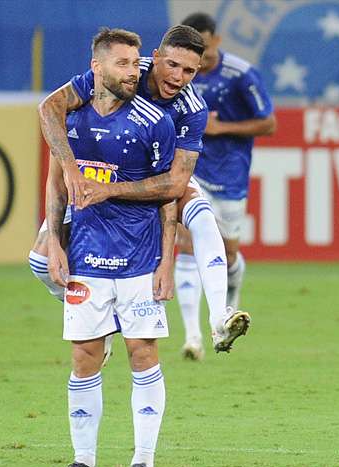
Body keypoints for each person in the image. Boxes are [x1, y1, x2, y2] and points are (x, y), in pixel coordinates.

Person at [31, 24, 250, 358]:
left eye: (189, 71)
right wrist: (72, 170)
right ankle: (99, 322)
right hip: (95, 171)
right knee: (39, 259)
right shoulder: (124, 71)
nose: (178, 77)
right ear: (156, 57)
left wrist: (111, 190)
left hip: (148, 181)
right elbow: (50, 108)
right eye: (172, 65)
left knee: (203, 216)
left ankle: (219, 316)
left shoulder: (191, 110)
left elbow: (175, 184)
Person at [46, 27, 177, 467]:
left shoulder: (153, 121)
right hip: (85, 258)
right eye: (122, 63)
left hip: (140, 261)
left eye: (135, 62)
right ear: (96, 67)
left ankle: (143, 462)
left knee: (142, 354)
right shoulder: (72, 116)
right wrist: (53, 243)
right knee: (84, 357)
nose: (133, 71)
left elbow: (168, 195)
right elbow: (57, 183)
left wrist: (167, 262)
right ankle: (83, 462)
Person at [177, 13, 276, 359]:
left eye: (201, 49)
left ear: (216, 40)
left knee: (228, 253)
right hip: (193, 170)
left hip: (231, 175)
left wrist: (222, 128)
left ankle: (226, 314)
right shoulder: (179, 76)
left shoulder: (240, 74)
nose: (196, 59)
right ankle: (192, 337)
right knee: (187, 245)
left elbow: (268, 123)